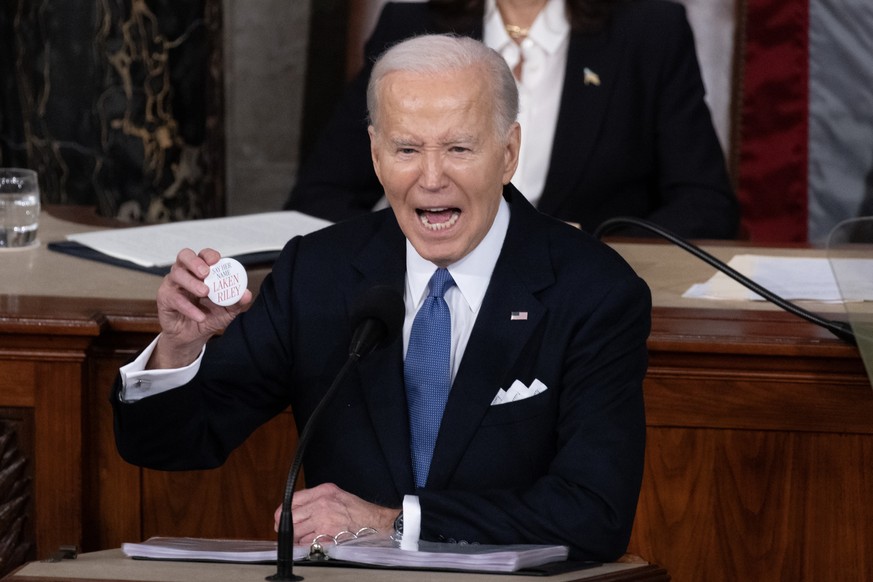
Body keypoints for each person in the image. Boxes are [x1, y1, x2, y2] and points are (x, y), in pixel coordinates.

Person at [111, 34, 651, 562]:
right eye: (407, 149)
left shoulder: (594, 293)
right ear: (375, 153)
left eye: (459, 149)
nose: (431, 178)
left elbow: (593, 513)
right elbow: (174, 445)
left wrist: (390, 523)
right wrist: (176, 351)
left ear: (508, 153)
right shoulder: (317, 273)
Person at [286, 0, 740, 239]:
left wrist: (588, 242)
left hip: (581, 300)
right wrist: (420, 239)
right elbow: (321, 194)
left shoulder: (650, 32)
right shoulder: (411, 24)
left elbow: (706, 206)